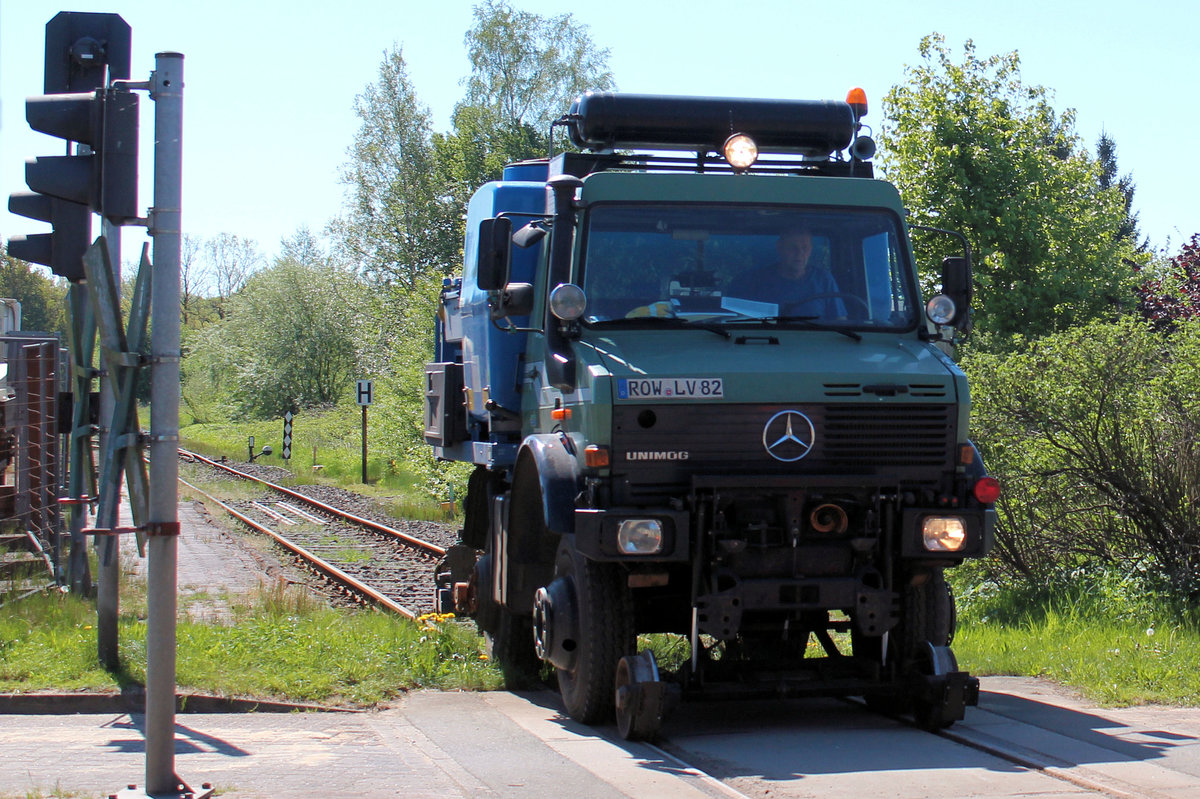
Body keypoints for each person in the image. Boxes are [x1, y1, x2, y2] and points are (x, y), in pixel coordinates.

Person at [730, 228, 847, 318]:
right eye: (793, 247)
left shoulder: (823, 280)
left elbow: (840, 321)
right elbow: (736, 320)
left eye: (805, 248)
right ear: (780, 248)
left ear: (811, 250)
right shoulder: (755, 281)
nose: (799, 253)